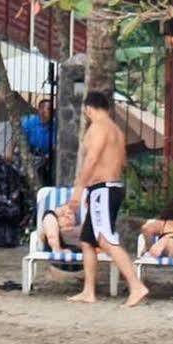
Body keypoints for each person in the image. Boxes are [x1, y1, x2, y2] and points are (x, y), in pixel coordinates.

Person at [64, 90, 147, 306]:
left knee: (106, 240)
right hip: (108, 188)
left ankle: (136, 286)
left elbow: (91, 159)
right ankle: (88, 291)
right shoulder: (117, 131)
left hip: (103, 189)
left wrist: (79, 189)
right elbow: (122, 162)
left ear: (88, 109)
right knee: (87, 241)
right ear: (108, 109)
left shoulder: (98, 128)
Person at [21, 97, 55, 186]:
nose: (44, 111)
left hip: (45, 157)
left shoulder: (55, 126)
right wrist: (9, 152)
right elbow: (18, 137)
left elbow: (55, 147)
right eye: (42, 108)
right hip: (28, 154)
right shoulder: (30, 121)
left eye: (48, 109)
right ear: (38, 109)